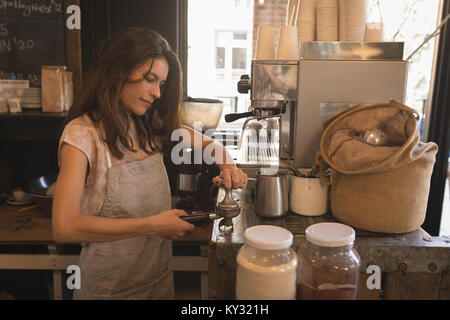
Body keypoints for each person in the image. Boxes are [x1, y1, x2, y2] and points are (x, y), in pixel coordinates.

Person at [52, 27, 247, 300]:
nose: (157, 92)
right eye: (149, 79)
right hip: (108, 291)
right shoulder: (81, 135)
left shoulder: (148, 127)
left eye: (162, 84)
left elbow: (210, 145)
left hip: (158, 282)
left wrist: (228, 166)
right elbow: (64, 226)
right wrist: (153, 225)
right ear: (118, 71)